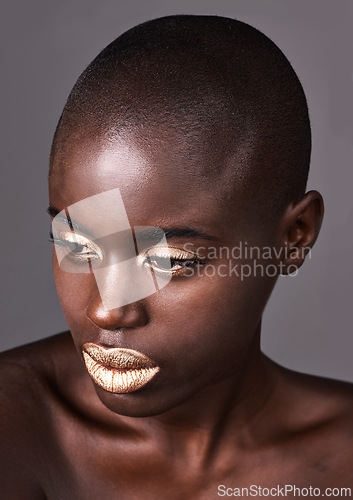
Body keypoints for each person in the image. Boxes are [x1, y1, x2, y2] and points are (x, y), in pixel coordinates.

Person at [1, 14, 353, 499]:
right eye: (79, 247)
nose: (106, 309)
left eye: (167, 261)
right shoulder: (15, 433)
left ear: (295, 235)